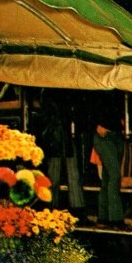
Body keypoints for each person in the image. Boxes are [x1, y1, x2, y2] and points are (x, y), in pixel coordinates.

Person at [32, 89, 88, 222]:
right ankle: (73, 210)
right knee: (66, 175)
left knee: (58, 175)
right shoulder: (56, 93)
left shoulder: (47, 91)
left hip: (57, 137)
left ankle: (54, 209)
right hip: (59, 136)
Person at [89, 91, 126, 229]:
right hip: (104, 135)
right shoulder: (99, 86)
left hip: (116, 134)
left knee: (107, 177)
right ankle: (116, 219)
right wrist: (96, 124)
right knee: (114, 174)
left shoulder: (117, 89)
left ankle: (103, 217)